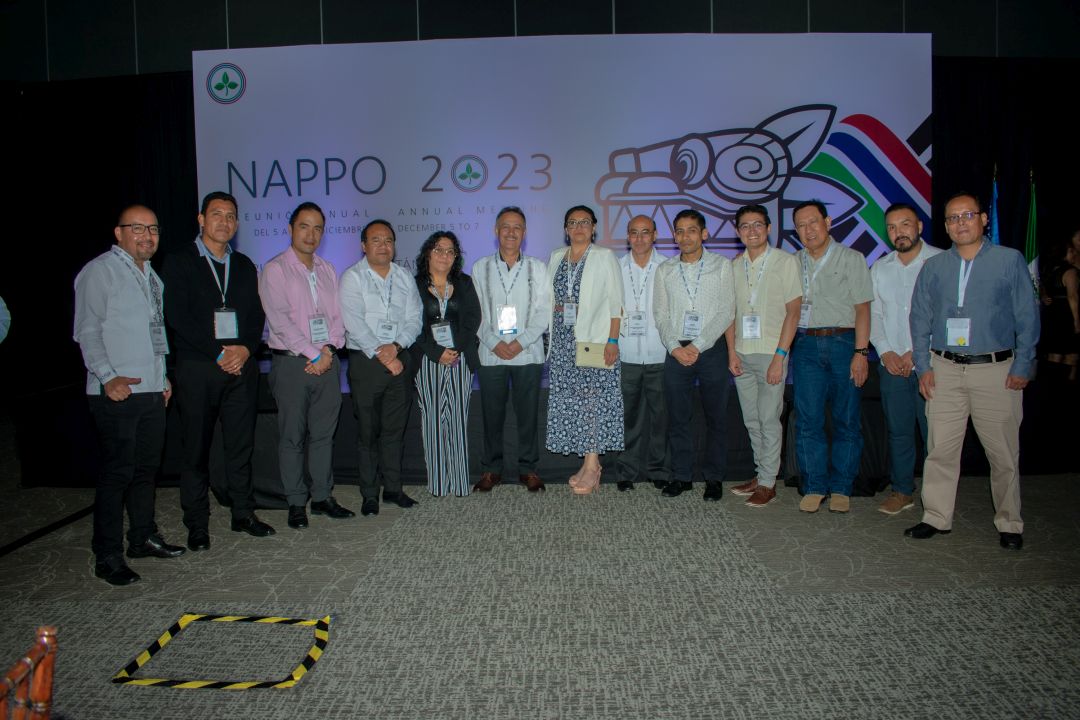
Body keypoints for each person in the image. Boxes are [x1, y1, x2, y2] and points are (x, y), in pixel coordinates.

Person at [905, 192, 1039, 549]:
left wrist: (1023, 365)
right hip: (944, 369)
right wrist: (923, 367)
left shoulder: (1009, 260)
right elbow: (919, 319)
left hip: (996, 370)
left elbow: (1027, 317)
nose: (960, 223)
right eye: (952, 218)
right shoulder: (934, 267)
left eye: (967, 216)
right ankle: (936, 516)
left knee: (1003, 453)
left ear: (983, 219)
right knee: (940, 449)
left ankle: (1009, 522)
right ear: (945, 226)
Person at [75, 205, 184, 585]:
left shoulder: (151, 276)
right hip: (117, 392)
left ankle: (142, 538)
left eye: (153, 229)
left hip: (151, 389)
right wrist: (107, 378)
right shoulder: (100, 271)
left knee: (145, 472)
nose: (147, 236)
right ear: (118, 232)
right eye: (137, 228)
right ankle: (107, 555)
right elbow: (87, 330)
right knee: (116, 475)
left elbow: (154, 333)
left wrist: (162, 376)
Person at [161, 191, 274, 551]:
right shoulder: (179, 262)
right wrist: (219, 352)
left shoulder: (244, 265)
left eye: (230, 216)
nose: (224, 222)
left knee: (241, 446)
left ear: (237, 224)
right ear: (201, 219)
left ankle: (243, 513)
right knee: (196, 449)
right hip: (199, 368)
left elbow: (256, 316)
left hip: (241, 368)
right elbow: (177, 316)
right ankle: (197, 523)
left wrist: (245, 349)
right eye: (217, 214)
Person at [259, 201, 353, 530]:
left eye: (317, 228)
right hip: (292, 364)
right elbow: (280, 322)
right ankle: (296, 502)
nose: (311, 234)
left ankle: (323, 497)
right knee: (292, 437)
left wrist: (328, 349)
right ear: (290, 229)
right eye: (304, 226)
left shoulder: (327, 269)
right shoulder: (275, 270)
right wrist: (314, 354)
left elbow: (337, 317)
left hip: (327, 362)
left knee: (324, 436)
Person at [790, 199, 874, 514]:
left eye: (813, 222)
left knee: (846, 420)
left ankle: (841, 488)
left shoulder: (852, 258)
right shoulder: (793, 262)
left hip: (844, 342)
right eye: (801, 225)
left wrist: (861, 352)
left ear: (827, 222)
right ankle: (814, 486)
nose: (808, 230)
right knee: (808, 420)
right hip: (806, 346)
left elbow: (863, 309)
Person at [339, 220, 423, 516]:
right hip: (367, 363)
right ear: (363, 245)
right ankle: (369, 494)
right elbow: (354, 323)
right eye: (376, 240)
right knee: (368, 432)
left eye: (388, 240)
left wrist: (396, 346)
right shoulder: (352, 277)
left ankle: (394, 489)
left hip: (400, 359)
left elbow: (415, 318)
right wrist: (384, 353)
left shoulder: (404, 276)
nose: (383, 245)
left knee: (394, 431)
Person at [653, 209, 735, 500]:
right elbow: (660, 314)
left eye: (691, 230)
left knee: (716, 417)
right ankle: (682, 476)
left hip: (711, 349)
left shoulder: (722, 266)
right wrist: (675, 347)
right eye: (679, 231)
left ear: (704, 234)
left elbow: (727, 311)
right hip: (676, 350)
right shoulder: (665, 270)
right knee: (678, 418)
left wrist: (697, 345)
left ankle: (714, 478)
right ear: (674, 236)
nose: (685, 236)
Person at [724, 204, 801, 507]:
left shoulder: (785, 262)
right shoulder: (734, 266)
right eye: (745, 226)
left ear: (769, 228)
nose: (751, 231)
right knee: (752, 420)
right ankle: (761, 474)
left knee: (769, 419)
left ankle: (768, 482)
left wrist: (780, 356)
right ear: (737, 231)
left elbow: (793, 312)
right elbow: (730, 314)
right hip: (742, 354)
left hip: (771, 354)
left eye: (757, 224)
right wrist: (731, 352)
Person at [869, 202, 943, 515]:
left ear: (919, 226)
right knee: (898, 431)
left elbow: (947, 314)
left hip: (932, 364)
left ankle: (937, 498)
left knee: (934, 434)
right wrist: (885, 350)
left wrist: (918, 352)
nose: (899, 232)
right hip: (892, 365)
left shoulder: (941, 262)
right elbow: (873, 314)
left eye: (905, 224)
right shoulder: (880, 268)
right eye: (892, 227)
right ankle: (902, 490)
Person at [545, 205, 624, 495]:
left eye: (585, 222)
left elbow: (616, 303)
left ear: (594, 228)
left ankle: (592, 466)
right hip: (563, 343)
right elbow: (551, 297)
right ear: (566, 229)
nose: (578, 227)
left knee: (592, 402)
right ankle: (587, 462)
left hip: (595, 341)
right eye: (573, 222)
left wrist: (613, 341)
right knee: (574, 403)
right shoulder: (556, 256)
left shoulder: (604, 256)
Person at [472, 207, 550, 493]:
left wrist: (520, 342)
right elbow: (474, 312)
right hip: (491, 352)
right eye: (505, 226)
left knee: (528, 416)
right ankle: (492, 469)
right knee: (491, 416)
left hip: (527, 353)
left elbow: (544, 312)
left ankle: (528, 469)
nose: (511, 232)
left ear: (524, 233)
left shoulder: (537, 268)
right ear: (496, 231)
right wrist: (494, 342)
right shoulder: (480, 267)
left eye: (517, 227)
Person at [412, 231, 482, 497]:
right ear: (428, 254)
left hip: (459, 358)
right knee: (432, 420)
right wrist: (436, 352)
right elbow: (412, 323)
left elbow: (473, 318)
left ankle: (460, 482)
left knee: (458, 419)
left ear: (456, 257)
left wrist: (455, 349)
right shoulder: (415, 285)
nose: (444, 255)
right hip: (428, 359)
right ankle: (439, 483)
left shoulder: (464, 282)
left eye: (450, 251)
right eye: (438, 250)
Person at [614, 215, 670, 492]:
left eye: (645, 232)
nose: (639, 238)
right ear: (627, 236)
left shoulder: (668, 267)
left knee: (661, 418)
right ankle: (627, 471)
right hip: (626, 355)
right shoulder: (616, 267)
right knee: (628, 416)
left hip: (661, 353)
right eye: (634, 233)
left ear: (655, 235)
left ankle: (659, 469)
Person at [1040, 233, 1079, 382]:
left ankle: (1052, 384)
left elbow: (1042, 288)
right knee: (1070, 355)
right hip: (1065, 315)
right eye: (1071, 251)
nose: (1074, 253)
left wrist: (1044, 296)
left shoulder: (1049, 270)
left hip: (1051, 314)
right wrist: (1077, 321)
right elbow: (1073, 296)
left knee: (1054, 353)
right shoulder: (1070, 271)